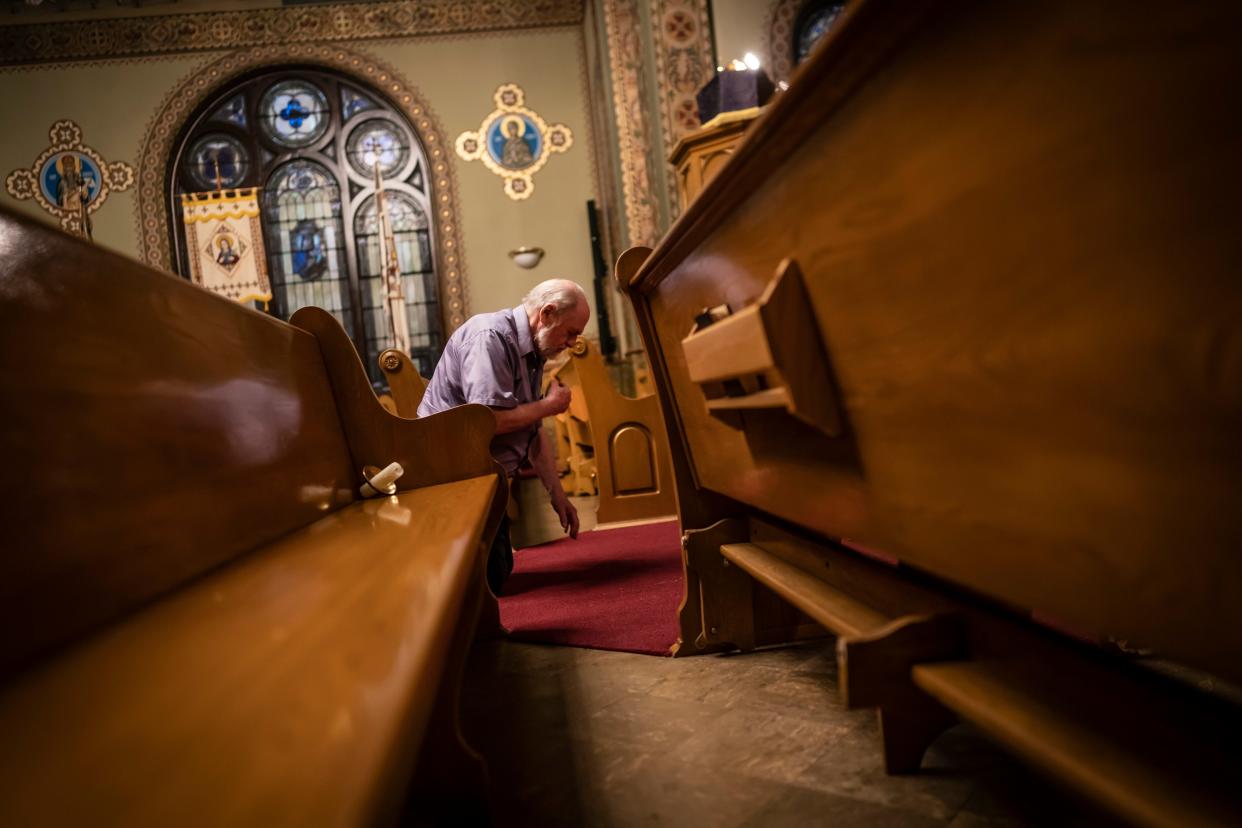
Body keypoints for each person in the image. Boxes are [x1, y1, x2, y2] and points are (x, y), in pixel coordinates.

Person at [417, 278, 590, 594]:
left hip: (483, 478)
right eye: (571, 333)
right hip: (451, 477)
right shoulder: (491, 337)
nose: (571, 343)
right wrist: (548, 406)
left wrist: (558, 496)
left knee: (498, 571)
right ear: (547, 313)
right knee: (492, 575)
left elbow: (533, 434)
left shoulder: (534, 352)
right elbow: (487, 423)